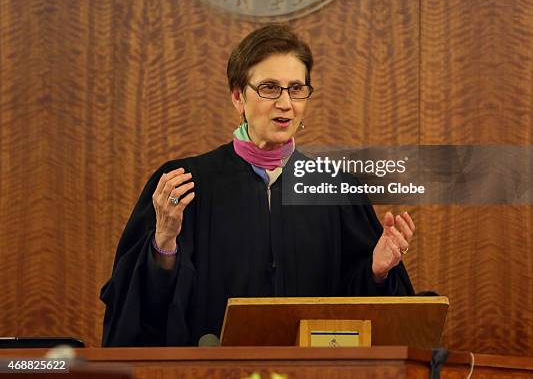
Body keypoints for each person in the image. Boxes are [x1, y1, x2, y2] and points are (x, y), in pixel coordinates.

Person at [100, 25, 416, 346]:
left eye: (296, 88)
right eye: (269, 88)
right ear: (238, 97)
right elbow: (140, 309)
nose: (285, 103)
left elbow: (358, 312)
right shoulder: (185, 184)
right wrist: (164, 242)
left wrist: (377, 271)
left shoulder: (335, 188)